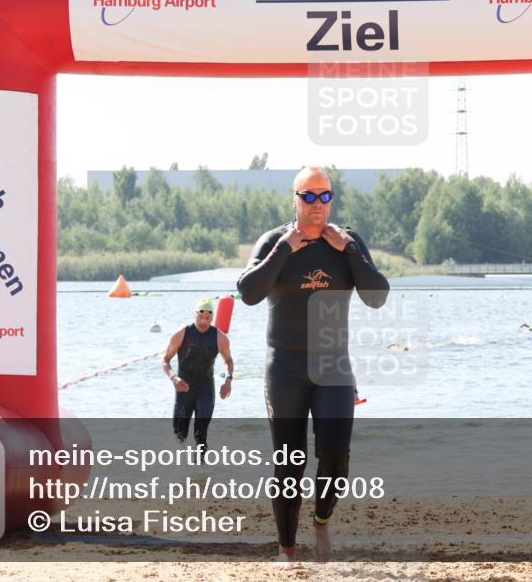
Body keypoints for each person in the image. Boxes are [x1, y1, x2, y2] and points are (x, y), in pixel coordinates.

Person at [237, 166, 389, 567]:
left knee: (336, 458)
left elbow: (377, 297)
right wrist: (286, 247)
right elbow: (248, 292)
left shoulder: (348, 243)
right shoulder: (275, 242)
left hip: (334, 368)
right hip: (284, 368)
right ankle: (286, 549)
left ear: (332, 199)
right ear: (295, 198)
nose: (317, 204)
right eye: (308, 196)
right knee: (290, 461)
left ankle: (321, 520)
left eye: (324, 196)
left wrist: (350, 252)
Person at [161, 297, 234, 458]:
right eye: (201, 317)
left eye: (208, 318)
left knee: (200, 437)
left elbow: (228, 361)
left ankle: (200, 477)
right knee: (179, 436)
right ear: (195, 315)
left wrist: (228, 381)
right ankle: (179, 475)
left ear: (212, 318)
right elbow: (165, 360)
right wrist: (173, 377)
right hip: (183, 391)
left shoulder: (220, 338)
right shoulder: (181, 334)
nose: (204, 321)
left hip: (206, 391)